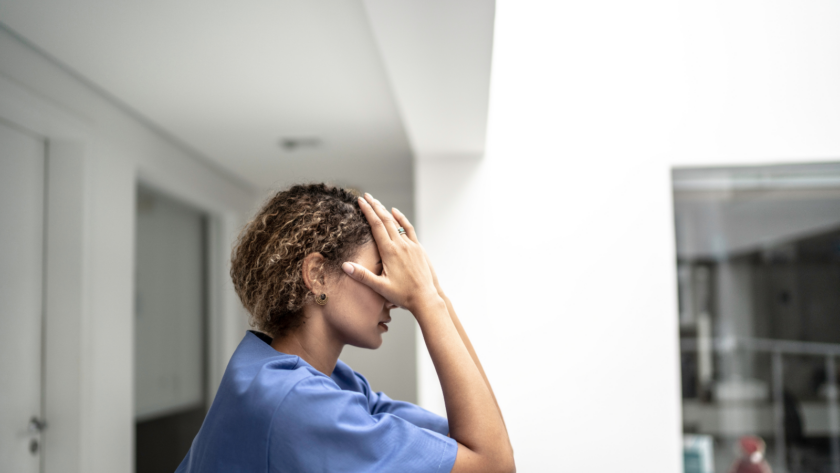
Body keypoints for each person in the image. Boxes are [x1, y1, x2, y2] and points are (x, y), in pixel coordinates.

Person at [175, 184, 515, 473]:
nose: (395, 296)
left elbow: (475, 441)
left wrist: (433, 292)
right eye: (381, 271)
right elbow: (494, 465)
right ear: (318, 275)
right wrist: (426, 301)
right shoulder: (297, 401)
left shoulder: (318, 379)